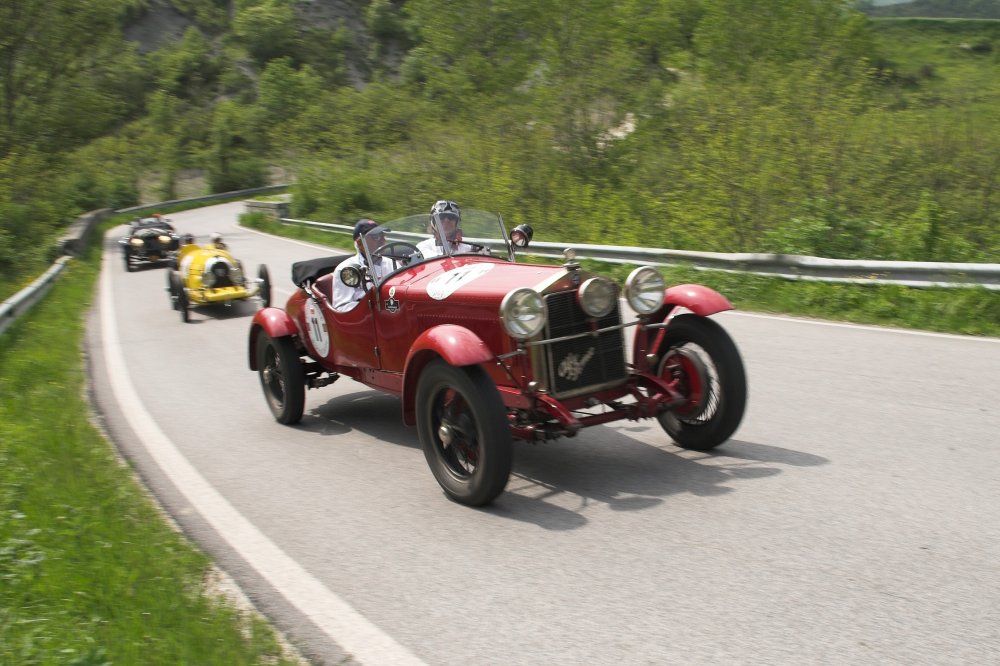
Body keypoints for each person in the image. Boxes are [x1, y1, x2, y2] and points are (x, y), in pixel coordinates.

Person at [331, 219, 388, 312]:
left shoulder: (392, 263)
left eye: (383, 235)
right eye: (376, 237)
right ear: (360, 243)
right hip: (365, 320)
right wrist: (372, 308)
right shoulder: (346, 270)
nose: (383, 240)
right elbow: (342, 307)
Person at [416, 200, 490, 258]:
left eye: (451, 217)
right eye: (441, 217)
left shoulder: (468, 249)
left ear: (457, 223)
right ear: (433, 222)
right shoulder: (423, 246)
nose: (446, 221)